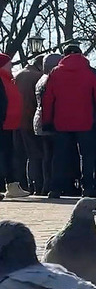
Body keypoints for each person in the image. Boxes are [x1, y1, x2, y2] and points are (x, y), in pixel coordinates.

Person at [41, 45, 96, 199]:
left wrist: (47, 120)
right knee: (87, 156)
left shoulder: (55, 73)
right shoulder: (89, 73)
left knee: (60, 156)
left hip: (61, 121)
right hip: (85, 121)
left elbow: (48, 99)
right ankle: (87, 188)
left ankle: (56, 188)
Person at [11, 56, 43, 196]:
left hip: (15, 120)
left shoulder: (18, 74)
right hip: (29, 120)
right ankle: (36, 185)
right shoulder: (38, 77)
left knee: (19, 155)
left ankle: (21, 184)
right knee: (35, 155)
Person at [32, 53, 62, 196]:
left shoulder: (40, 79)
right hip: (50, 121)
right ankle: (50, 184)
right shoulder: (52, 79)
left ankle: (43, 185)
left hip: (39, 120)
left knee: (45, 156)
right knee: (54, 156)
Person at [0, 53, 23, 201]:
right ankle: (10, 185)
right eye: (9, 63)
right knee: (5, 155)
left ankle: (12, 185)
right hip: (3, 123)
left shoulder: (8, 79)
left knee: (8, 155)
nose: (12, 66)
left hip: (8, 123)